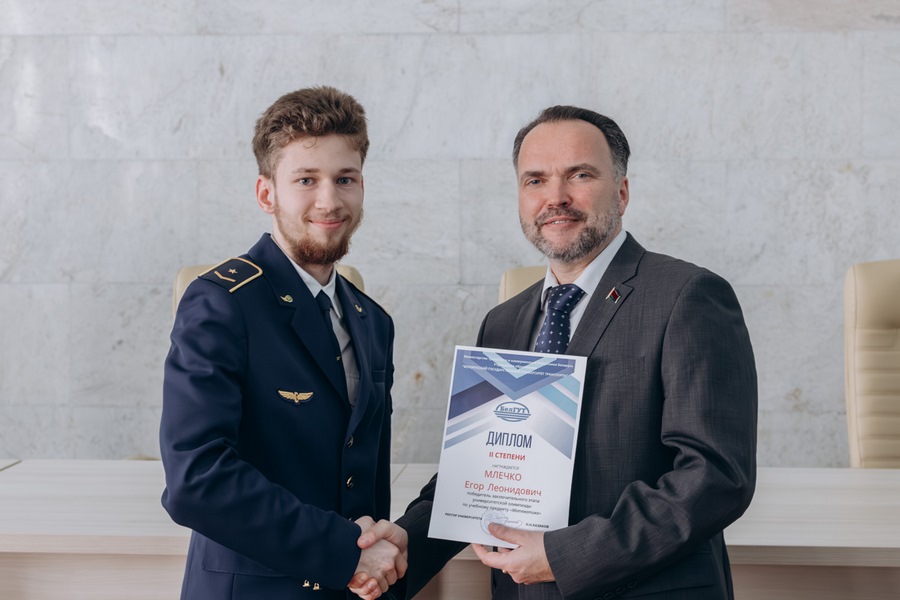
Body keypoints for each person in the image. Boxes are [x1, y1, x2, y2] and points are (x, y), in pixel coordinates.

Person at [353, 105, 758, 600]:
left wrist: (565, 556)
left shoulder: (687, 296)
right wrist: (406, 543)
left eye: (580, 175)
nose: (556, 197)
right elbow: (480, 470)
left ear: (622, 192)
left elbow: (715, 476)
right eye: (535, 180)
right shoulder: (503, 321)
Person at [160, 86, 407, 600]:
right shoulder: (221, 303)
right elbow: (197, 480)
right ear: (266, 193)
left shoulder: (373, 321)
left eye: (345, 179)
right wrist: (343, 551)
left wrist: (374, 558)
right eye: (306, 180)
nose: (329, 200)